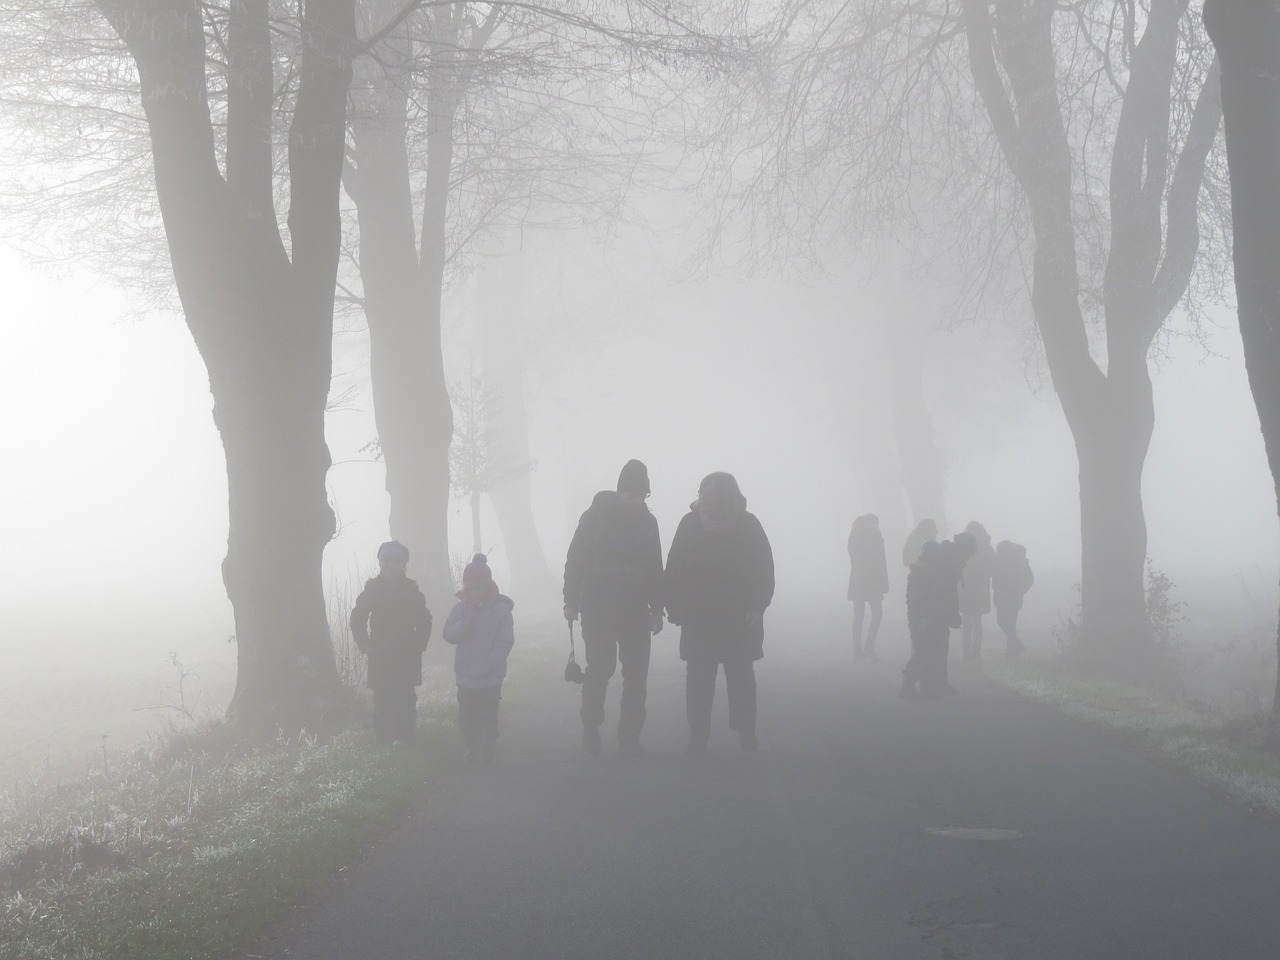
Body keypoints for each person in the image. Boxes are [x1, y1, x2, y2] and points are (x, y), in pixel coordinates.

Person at [664, 472, 775, 753]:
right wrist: (674, 607)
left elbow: (764, 569)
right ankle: (698, 736)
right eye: (702, 493)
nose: (704, 499)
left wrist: (758, 606)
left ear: (727, 497)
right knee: (699, 680)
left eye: (711, 494)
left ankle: (746, 732)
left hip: (739, 616)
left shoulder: (748, 525)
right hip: (698, 616)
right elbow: (674, 566)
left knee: (741, 678)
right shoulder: (689, 524)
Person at [563, 459, 664, 758]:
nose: (637, 500)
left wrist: (657, 607)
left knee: (635, 675)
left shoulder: (648, 522)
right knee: (601, 670)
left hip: (633, 608)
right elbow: (576, 560)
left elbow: (655, 568)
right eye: (633, 494)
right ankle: (592, 729)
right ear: (620, 491)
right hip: (599, 607)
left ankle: (629, 738)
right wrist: (570, 601)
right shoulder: (595, 518)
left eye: (642, 495)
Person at [350, 540, 433, 744]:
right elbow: (357, 618)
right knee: (382, 696)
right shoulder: (372, 589)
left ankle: (405, 736)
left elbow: (424, 620)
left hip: (407, 652)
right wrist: (364, 644)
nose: (390, 565)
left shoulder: (412, 590)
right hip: (379, 652)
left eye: (396, 561)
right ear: (379, 563)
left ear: (404, 564)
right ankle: (384, 738)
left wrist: (419, 645)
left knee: (405, 695)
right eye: (386, 560)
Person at [442, 554, 515, 763]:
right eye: (469, 588)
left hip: (491, 676)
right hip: (465, 675)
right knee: (467, 716)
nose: (473, 593)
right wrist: (461, 628)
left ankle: (487, 746)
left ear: (488, 587)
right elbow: (447, 634)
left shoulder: (500, 611)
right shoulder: (459, 610)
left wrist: (490, 663)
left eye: (478, 588)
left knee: (488, 715)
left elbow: (505, 642)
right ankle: (470, 747)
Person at [900, 532, 975, 698]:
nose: (968, 558)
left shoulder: (939, 562)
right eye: (969, 553)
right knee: (927, 650)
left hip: (928, 612)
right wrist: (952, 614)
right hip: (929, 613)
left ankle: (931, 685)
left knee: (937, 649)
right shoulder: (945, 565)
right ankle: (910, 682)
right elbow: (946, 592)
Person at [847, 514, 889, 662]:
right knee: (877, 614)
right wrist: (884, 583)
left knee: (858, 616)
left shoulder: (854, 534)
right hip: (873, 581)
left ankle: (857, 651)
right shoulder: (874, 533)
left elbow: (854, 557)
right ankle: (869, 647)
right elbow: (880, 560)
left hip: (857, 580)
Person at [959, 521, 996, 661]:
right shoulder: (987, 547)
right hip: (979, 587)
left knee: (967, 619)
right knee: (975, 619)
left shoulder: (962, 545)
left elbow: (956, 565)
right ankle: (975, 650)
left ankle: (967, 650)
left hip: (966, 586)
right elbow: (993, 568)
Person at [992, 540, 1034, 657]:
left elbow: (1029, 579)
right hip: (1004, 597)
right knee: (1005, 622)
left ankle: (1012, 648)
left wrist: (1020, 590)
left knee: (1007, 622)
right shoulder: (999, 561)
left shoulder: (1019, 562)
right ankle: (1014, 646)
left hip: (1012, 597)